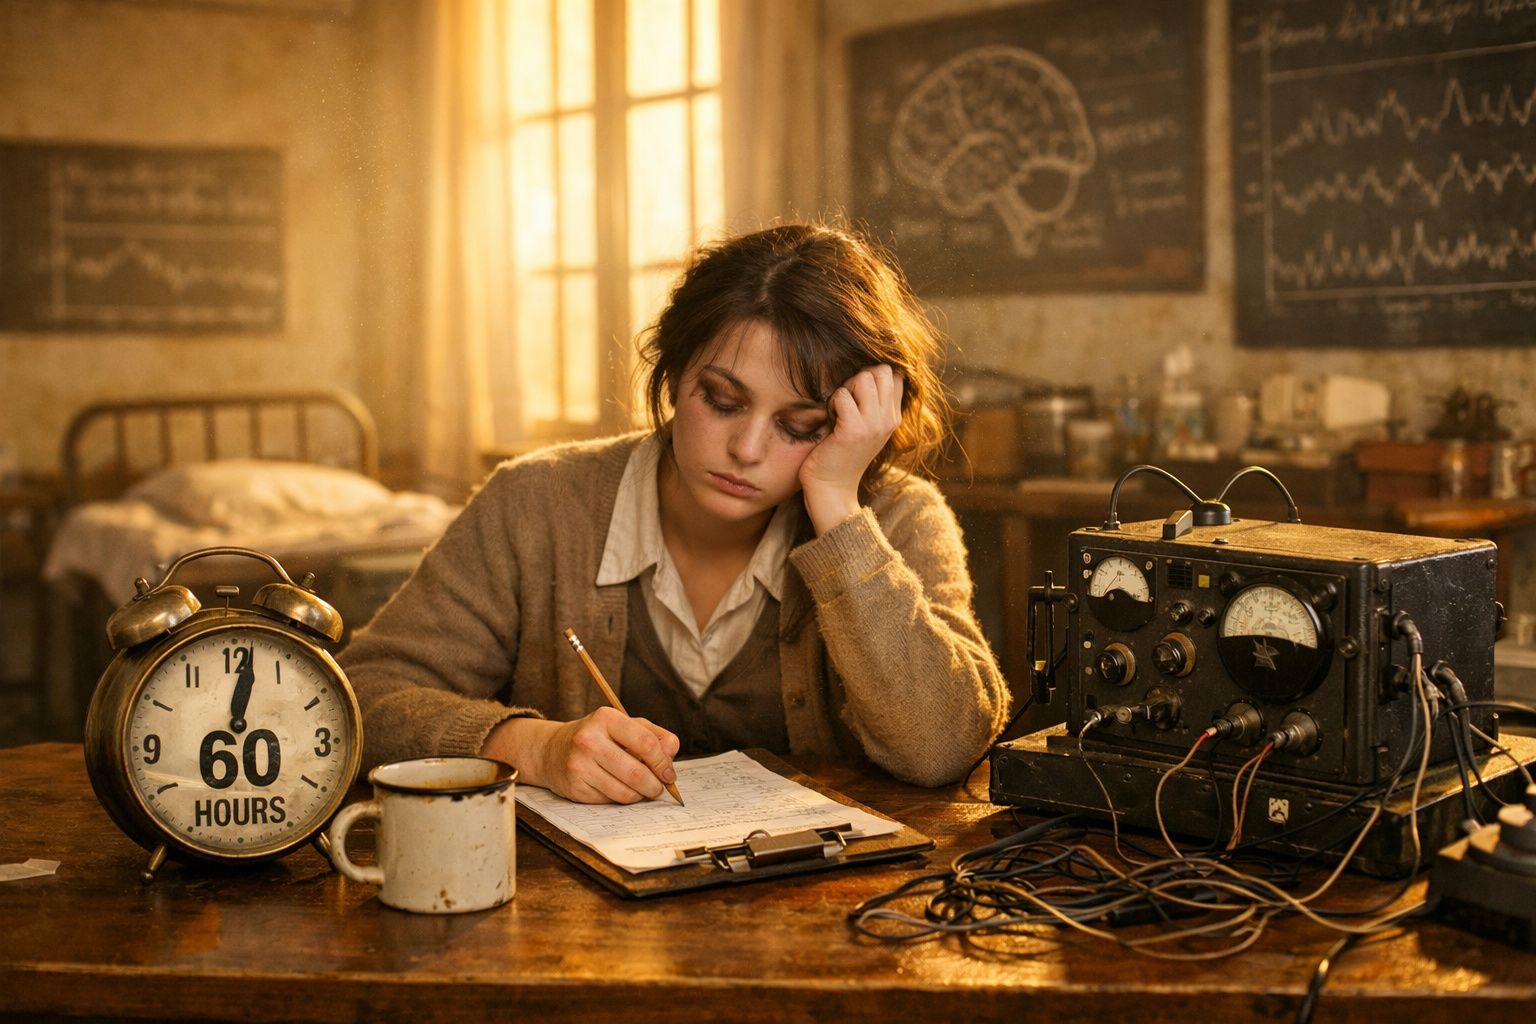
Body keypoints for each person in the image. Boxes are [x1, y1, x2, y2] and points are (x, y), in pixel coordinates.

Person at [339, 222, 1010, 803]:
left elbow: (943, 747)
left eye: (800, 424)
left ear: (850, 424)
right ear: (671, 372)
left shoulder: (896, 521)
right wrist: (532, 748)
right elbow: (363, 697)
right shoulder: (535, 503)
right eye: (721, 400)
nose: (746, 449)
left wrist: (836, 505)